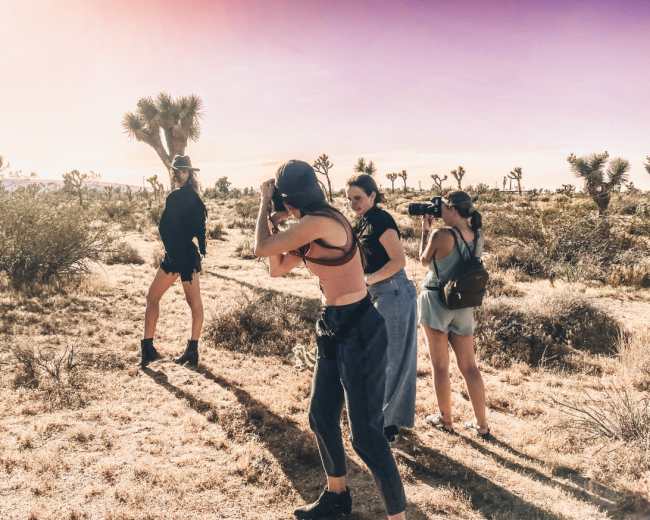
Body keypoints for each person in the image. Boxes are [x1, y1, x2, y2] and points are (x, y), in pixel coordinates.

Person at [254, 161, 407, 520]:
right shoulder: (307, 227)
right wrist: (282, 221)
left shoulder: (321, 221)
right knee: (321, 416)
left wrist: (264, 204)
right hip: (333, 324)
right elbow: (276, 267)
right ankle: (336, 498)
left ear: (291, 199)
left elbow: (262, 247)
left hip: (361, 327)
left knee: (366, 437)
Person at [346, 174, 417, 443]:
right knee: (378, 358)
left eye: (359, 198)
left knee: (394, 360)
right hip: (378, 292)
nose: (354, 204)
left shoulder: (380, 220)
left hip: (393, 292)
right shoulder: (362, 221)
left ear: (373, 196)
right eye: (350, 199)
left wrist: (367, 282)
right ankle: (380, 419)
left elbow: (399, 261)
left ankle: (388, 425)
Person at [418, 191, 490, 438]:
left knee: (440, 366)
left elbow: (423, 260)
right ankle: (482, 425)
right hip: (464, 304)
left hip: (437, 300)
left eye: (443, 208)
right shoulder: (477, 234)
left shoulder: (441, 235)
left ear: (451, 209)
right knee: (470, 367)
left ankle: (446, 420)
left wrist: (425, 230)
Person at [140, 154, 207, 369]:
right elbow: (200, 230)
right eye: (177, 170)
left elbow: (165, 228)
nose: (179, 173)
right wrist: (201, 249)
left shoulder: (176, 197)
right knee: (187, 303)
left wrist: (175, 250)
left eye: (183, 170)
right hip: (185, 255)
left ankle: (155, 349)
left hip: (179, 257)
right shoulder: (196, 198)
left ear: (190, 173)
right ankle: (182, 350)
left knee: (158, 298)